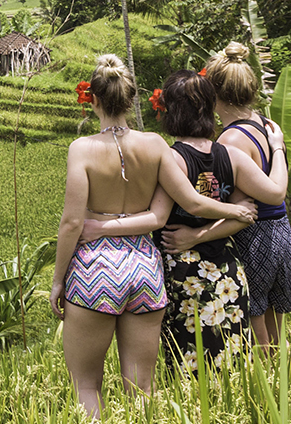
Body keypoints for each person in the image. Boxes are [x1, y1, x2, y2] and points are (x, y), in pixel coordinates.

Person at [51, 55, 250, 417]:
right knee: (142, 386)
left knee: (86, 385)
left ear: (93, 100)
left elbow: (70, 223)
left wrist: (57, 281)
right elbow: (189, 200)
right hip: (145, 267)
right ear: (132, 100)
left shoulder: (81, 149)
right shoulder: (156, 145)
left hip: (95, 269)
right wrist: (235, 210)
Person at [82, 71, 276, 371]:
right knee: (235, 366)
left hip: (184, 273)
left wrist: (101, 225)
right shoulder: (232, 156)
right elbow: (247, 213)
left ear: (168, 111)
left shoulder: (171, 159)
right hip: (228, 272)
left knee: (189, 365)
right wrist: (277, 147)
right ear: (211, 109)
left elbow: (158, 217)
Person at [209, 43, 291, 346]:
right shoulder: (264, 124)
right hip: (282, 232)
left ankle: (271, 389)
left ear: (214, 94)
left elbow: (274, 193)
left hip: (256, 236)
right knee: (277, 333)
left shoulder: (231, 139)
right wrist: (277, 145)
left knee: (257, 329)